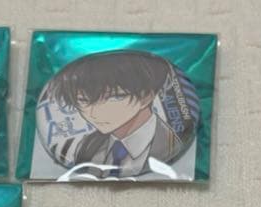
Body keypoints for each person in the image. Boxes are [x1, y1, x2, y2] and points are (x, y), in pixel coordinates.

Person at [48, 51, 191, 177]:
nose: (94, 113)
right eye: (83, 100)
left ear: (147, 96)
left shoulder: (172, 143)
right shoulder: (86, 146)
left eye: (114, 97)